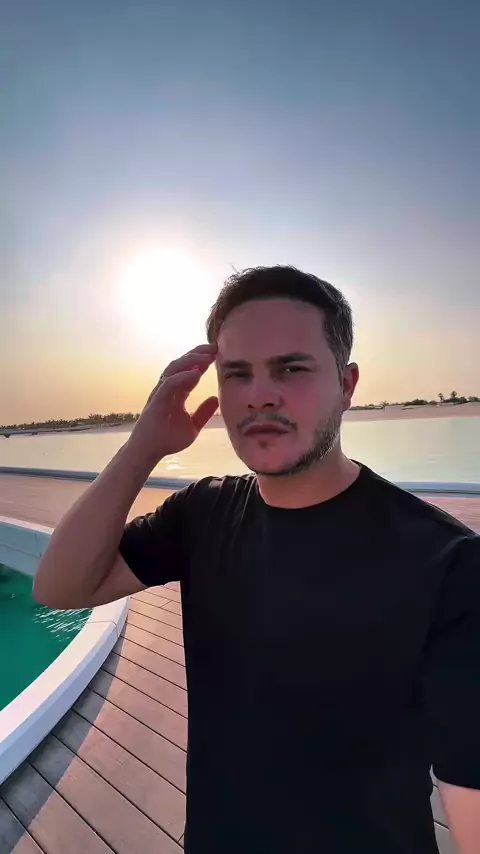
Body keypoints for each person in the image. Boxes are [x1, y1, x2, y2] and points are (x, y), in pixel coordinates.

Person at [34, 265, 480, 854]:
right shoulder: (202, 513)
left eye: (291, 368)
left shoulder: (444, 561)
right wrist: (144, 444)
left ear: (346, 385)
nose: (259, 394)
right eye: (236, 373)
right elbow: (59, 587)